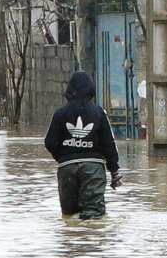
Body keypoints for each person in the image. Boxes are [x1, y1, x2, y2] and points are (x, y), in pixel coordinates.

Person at [44, 71, 122, 220]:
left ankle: (74, 240)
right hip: (93, 168)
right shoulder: (99, 113)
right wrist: (114, 172)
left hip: (66, 168)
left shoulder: (60, 113)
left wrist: (63, 157)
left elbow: (49, 142)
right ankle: (90, 239)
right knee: (94, 216)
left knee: (69, 215)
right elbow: (109, 144)